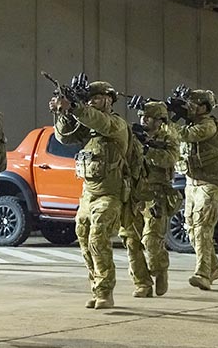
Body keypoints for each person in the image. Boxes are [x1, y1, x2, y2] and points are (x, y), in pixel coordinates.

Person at [50, 81, 128, 310]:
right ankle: (96, 286)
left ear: (109, 100)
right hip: (88, 193)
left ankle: (105, 291)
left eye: (97, 97)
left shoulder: (115, 124)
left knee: (98, 237)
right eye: (90, 98)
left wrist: (74, 107)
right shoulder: (87, 126)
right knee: (83, 235)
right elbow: (64, 137)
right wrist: (63, 113)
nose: (93, 101)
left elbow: (100, 121)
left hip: (110, 193)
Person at [122, 102, 180, 297]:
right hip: (134, 195)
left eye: (148, 117)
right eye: (142, 116)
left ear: (159, 120)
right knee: (131, 240)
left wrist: (148, 149)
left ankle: (160, 269)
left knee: (152, 241)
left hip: (156, 195)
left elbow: (170, 159)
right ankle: (142, 283)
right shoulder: (133, 136)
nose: (143, 120)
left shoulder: (168, 138)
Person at [175, 89, 218, 290]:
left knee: (203, 226)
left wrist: (166, 120)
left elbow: (186, 135)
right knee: (190, 228)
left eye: (193, 104)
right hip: (192, 182)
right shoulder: (191, 124)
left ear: (204, 107)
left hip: (210, 183)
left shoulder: (207, 125)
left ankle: (203, 274)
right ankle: (213, 266)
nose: (189, 107)